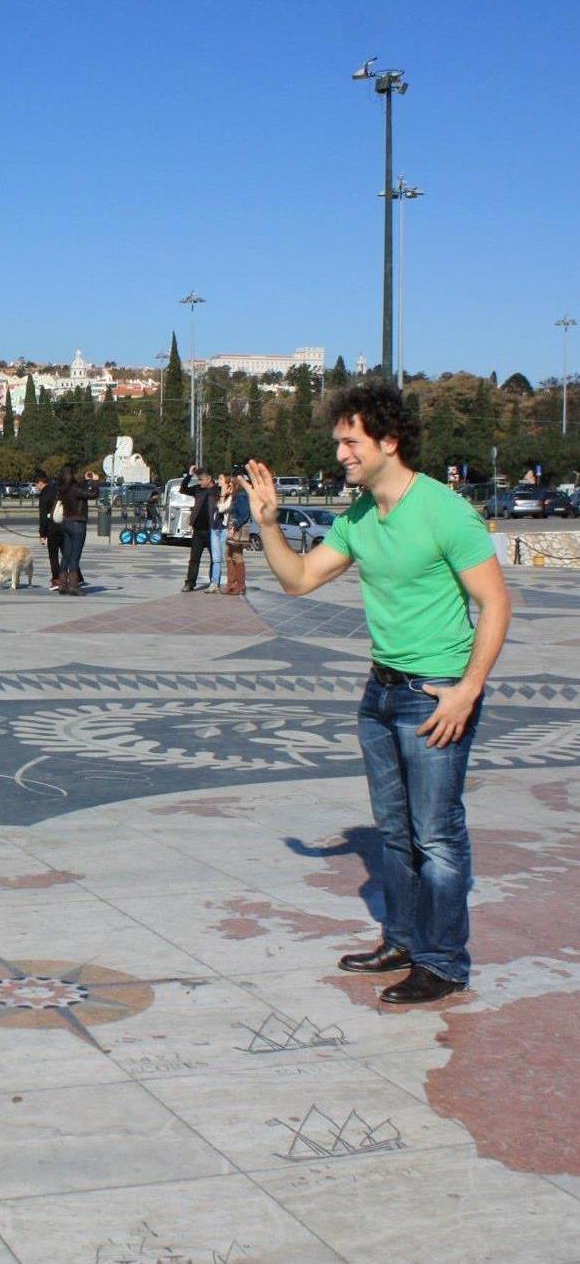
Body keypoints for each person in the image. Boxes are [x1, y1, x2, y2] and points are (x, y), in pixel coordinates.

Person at [245, 382, 510, 1004]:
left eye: (350, 441)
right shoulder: (360, 517)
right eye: (338, 442)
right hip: (381, 691)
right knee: (394, 832)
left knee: (437, 835)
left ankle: (442, 963)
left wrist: (468, 690)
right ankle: (402, 938)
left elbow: (496, 603)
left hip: (436, 693)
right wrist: (268, 524)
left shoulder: (445, 511)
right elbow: (299, 581)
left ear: (388, 441)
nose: (341, 454)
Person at [53, 465, 100, 596]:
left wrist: (86, 481)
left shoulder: (63, 489)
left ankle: (62, 584)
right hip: (78, 524)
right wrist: (95, 482)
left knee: (66, 555)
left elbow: (80, 492)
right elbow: (93, 494)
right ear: (72, 475)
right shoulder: (74, 490)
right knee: (75, 556)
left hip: (66, 523)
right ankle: (73, 585)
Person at [179, 464, 223, 593]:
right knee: (194, 559)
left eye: (201, 479)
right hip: (198, 530)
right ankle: (190, 583)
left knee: (214, 558)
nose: (199, 482)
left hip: (212, 530)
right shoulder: (198, 489)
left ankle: (214, 582)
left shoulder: (217, 490)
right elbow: (183, 489)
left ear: (209, 479)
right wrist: (189, 474)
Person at [217, 472, 252, 595]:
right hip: (233, 527)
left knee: (236, 556)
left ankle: (239, 585)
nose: (229, 485)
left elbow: (245, 514)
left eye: (231, 483)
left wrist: (234, 527)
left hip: (238, 529)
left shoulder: (241, 496)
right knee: (229, 555)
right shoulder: (236, 495)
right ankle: (231, 583)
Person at [34, 469, 65, 590]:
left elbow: (43, 516)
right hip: (65, 525)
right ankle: (76, 577)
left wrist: (42, 534)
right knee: (66, 553)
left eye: (36, 484)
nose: (36, 487)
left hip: (53, 528)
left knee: (53, 555)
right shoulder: (58, 489)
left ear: (41, 483)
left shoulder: (44, 495)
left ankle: (56, 579)